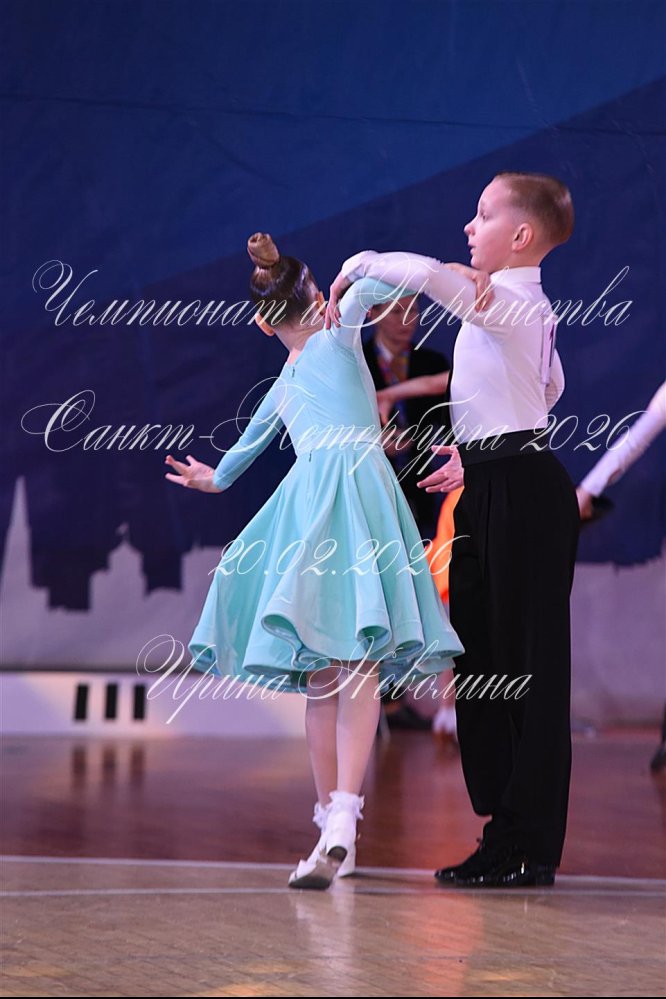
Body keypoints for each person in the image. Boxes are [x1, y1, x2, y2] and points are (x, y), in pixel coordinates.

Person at [164, 233, 464, 891]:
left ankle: (339, 819)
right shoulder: (316, 353)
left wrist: (213, 479)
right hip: (337, 506)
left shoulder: (333, 336)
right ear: (312, 293)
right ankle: (337, 822)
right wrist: (355, 277)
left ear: (260, 321)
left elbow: (240, 455)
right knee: (341, 668)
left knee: (334, 670)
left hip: (333, 508)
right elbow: (243, 452)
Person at [325, 171, 581, 888]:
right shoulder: (512, 309)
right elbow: (548, 387)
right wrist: (479, 456)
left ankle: (529, 842)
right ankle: (505, 831)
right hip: (495, 484)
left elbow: (429, 277)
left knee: (527, 669)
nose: (470, 226)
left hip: (525, 498)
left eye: (483, 214)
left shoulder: (514, 302)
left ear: (521, 235)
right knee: (484, 664)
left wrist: (360, 264)